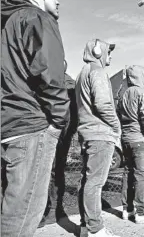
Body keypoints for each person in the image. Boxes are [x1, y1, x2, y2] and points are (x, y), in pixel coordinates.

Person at [1, 0, 69, 236]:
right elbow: (50, 73)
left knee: (11, 207)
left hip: (10, 124)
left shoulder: (7, 21)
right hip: (32, 124)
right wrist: (58, 120)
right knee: (23, 216)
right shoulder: (35, 17)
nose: (59, 0)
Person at [76, 39, 121, 237]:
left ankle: (86, 226)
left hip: (87, 133)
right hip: (100, 134)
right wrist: (116, 125)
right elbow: (103, 104)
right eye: (108, 52)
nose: (110, 56)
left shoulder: (82, 73)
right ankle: (95, 229)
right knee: (95, 183)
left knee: (87, 181)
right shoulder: (98, 71)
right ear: (97, 52)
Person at [118, 65, 144, 224]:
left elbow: (118, 115)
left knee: (128, 173)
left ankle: (126, 209)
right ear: (139, 77)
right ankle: (141, 212)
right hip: (141, 139)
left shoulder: (123, 95)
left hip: (127, 138)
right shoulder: (143, 93)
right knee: (141, 175)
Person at [39, 60, 77, 227]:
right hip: (63, 134)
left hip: (50, 132)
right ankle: (55, 209)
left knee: (44, 172)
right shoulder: (71, 84)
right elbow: (76, 114)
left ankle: (46, 210)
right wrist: (69, 134)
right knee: (57, 171)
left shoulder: (49, 82)